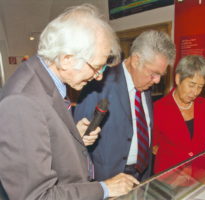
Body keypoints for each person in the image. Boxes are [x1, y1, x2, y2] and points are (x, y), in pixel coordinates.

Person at [0, 4, 139, 200]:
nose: (98, 77)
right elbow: (37, 196)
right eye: (96, 67)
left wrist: (72, 139)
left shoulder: (45, 78)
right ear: (66, 59)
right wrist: (104, 188)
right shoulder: (22, 102)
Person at [74, 30, 176, 182]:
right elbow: (77, 142)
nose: (156, 81)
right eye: (154, 74)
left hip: (142, 176)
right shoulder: (98, 84)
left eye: (161, 75)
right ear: (136, 60)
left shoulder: (145, 84)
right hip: (108, 179)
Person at [153, 55, 205, 174]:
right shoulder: (159, 108)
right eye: (191, 85)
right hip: (170, 176)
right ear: (178, 79)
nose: (195, 92)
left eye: (200, 87)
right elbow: (154, 147)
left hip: (200, 172)